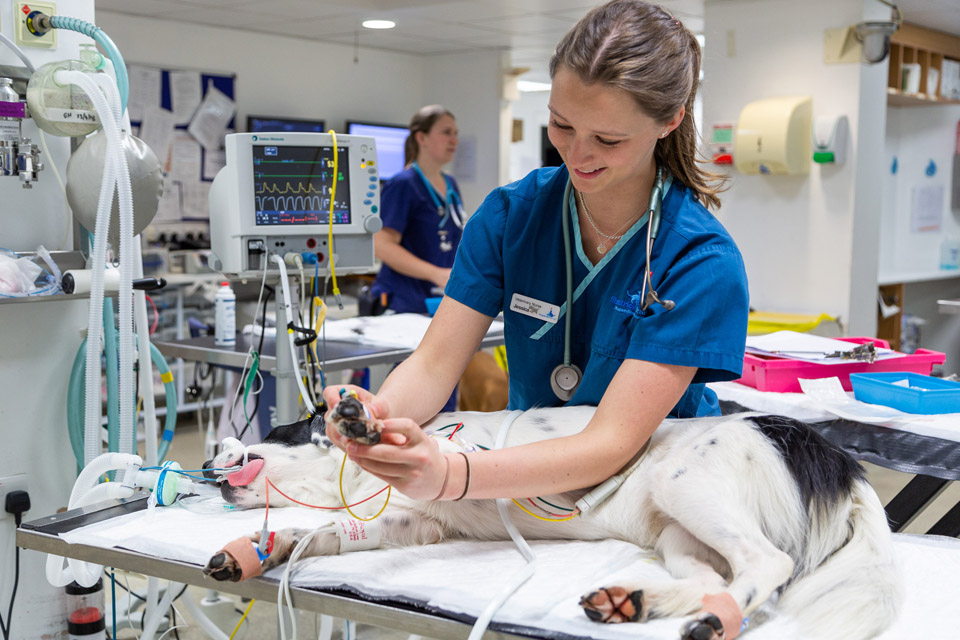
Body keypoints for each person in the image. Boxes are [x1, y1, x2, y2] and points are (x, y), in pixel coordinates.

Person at [324, 0, 749, 503]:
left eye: (608, 139)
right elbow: (436, 365)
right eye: (562, 125)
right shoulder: (511, 218)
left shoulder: (700, 262)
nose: (577, 154)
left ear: (670, 121)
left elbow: (611, 442)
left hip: (654, 487)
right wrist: (377, 417)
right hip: (520, 474)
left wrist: (453, 476)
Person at [369, 105, 464, 315]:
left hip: (438, 300)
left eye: (456, 134)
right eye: (446, 132)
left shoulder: (450, 184)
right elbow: (381, 245)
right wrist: (436, 274)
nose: (454, 140)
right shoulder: (403, 184)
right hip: (404, 302)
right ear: (422, 138)